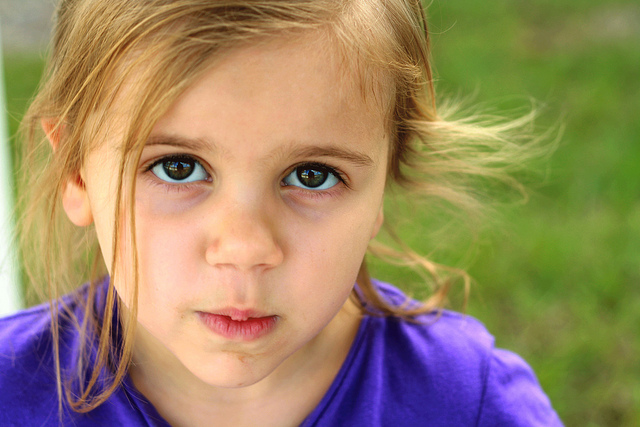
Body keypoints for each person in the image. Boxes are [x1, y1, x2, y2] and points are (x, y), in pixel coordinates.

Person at [0, 0, 562, 425]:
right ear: (76, 171)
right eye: (177, 167)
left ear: (383, 185)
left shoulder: (468, 403)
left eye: (312, 175)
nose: (245, 247)